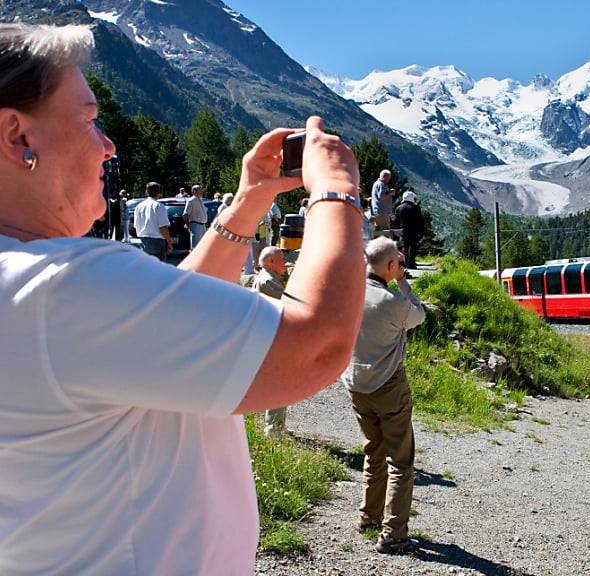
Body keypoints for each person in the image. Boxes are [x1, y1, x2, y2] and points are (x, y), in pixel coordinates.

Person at [0, 23, 366, 574]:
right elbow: (316, 346)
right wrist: (337, 191)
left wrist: (247, 203)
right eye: (89, 120)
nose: (108, 146)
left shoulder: (33, 286)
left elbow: (167, 316)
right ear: (17, 136)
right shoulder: (61, 286)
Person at [343, 237, 426, 555]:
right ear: (392, 265)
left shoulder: (349, 293)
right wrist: (402, 281)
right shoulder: (393, 303)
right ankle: (393, 535)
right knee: (400, 461)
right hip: (388, 386)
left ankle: (368, 516)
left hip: (356, 384)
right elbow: (419, 315)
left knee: (373, 451)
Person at [251, 246, 289, 438]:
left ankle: (277, 425)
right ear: (270, 261)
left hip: (269, 336)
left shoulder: (269, 277)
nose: (285, 262)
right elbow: (289, 303)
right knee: (279, 383)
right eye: (281, 259)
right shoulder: (268, 281)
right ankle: (273, 428)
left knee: (280, 382)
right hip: (271, 338)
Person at [134, 181, 173, 261]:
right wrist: (169, 243)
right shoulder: (159, 206)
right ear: (159, 194)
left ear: (146, 192)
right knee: (159, 267)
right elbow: (163, 228)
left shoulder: (139, 206)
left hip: (143, 241)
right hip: (157, 242)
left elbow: (136, 226)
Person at [394, 189, 423, 269]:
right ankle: (411, 263)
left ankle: (404, 263)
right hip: (414, 230)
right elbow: (420, 220)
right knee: (413, 246)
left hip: (403, 230)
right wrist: (421, 230)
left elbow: (396, 221)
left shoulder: (398, 208)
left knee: (404, 246)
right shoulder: (416, 208)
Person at [183, 184, 209, 251]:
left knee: (202, 246)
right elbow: (185, 214)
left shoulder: (200, 200)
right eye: (200, 190)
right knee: (195, 248)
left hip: (202, 225)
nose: (202, 191)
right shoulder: (191, 200)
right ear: (194, 191)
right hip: (195, 225)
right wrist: (187, 224)